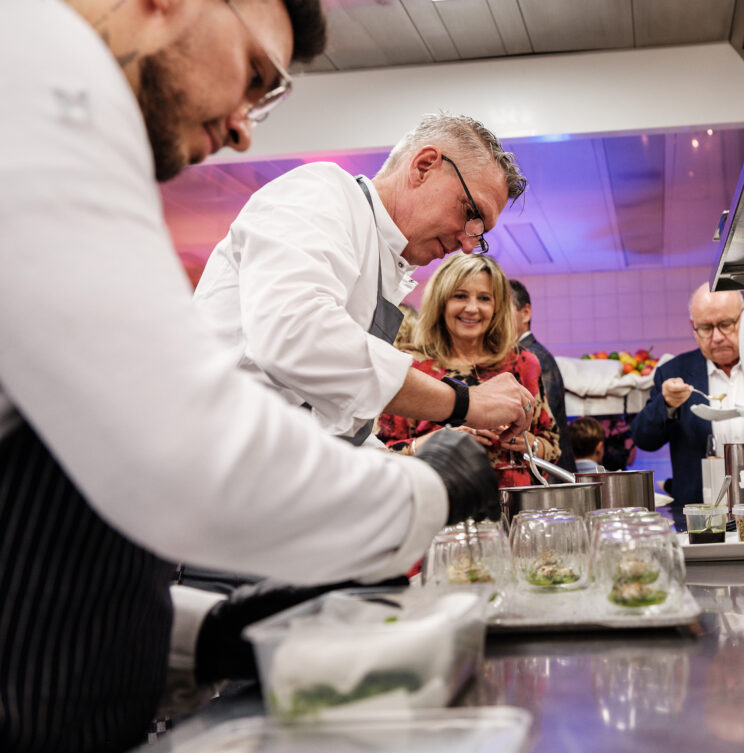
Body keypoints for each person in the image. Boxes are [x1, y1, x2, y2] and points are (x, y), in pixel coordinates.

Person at [0, 1, 510, 751]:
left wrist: (201, 634)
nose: (244, 126)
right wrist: (430, 481)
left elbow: (66, 493)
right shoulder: (44, 95)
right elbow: (186, 443)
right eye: (255, 77)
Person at [193, 111, 533, 447]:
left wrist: (397, 464)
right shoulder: (319, 191)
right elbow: (295, 334)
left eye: (480, 234)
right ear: (424, 166)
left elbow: (326, 415)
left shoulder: (383, 261)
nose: (468, 245)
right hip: (210, 453)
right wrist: (466, 403)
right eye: (472, 214)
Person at [377, 255, 560, 488]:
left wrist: (529, 444)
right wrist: (439, 441)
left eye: (484, 298)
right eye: (460, 296)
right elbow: (380, 454)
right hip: (441, 512)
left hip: (518, 513)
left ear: (497, 307)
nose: (472, 308)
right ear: (441, 302)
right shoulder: (411, 367)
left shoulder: (523, 363)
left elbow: (552, 445)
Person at [631, 283, 744, 526]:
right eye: (706, 328)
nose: (717, 337)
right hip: (702, 515)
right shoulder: (675, 372)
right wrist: (666, 404)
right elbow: (644, 438)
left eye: (726, 324)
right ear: (693, 327)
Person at [510, 279, 577, 474]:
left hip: (550, 475)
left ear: (526, 313)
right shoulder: (521, 355)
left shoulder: (532, 358)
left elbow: (541, 425)